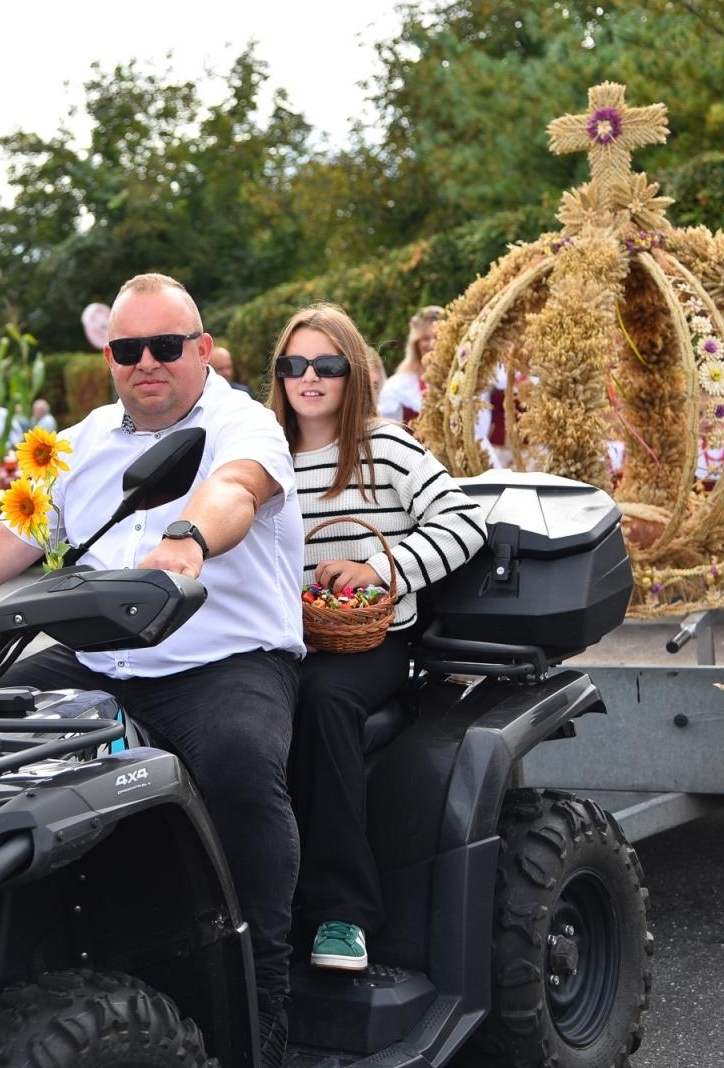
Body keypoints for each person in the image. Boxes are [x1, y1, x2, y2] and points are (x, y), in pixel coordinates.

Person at [0, 272, 303, 1064]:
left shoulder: (243, 423)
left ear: (202, 348)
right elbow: (1, 541)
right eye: (129, 349)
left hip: (221, 663)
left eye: (165, 346)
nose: (146, 362)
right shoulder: (82, 441)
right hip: (99, 664)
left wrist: (188, 537)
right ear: (110, 356)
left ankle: (261, 996)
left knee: (236, 762)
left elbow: (236, 488)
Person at [269, 302, 484, 973]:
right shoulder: (262, 457)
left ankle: (342, 912)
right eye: (294, 364)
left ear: (353, 371)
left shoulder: (383, 445)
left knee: (325, 702)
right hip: (286, 638)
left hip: (372, 642)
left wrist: (379, 568)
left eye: (326, 365)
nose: (309, 377)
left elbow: (464, 523)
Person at [377, 304, 443, 425]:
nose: (432, 344)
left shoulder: (462, 379)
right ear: (416, 343)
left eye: (437, 337)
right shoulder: (399, 385)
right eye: (425, 338)